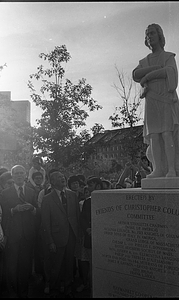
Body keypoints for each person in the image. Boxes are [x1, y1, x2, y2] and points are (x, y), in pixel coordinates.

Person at [132, 23, 179, 178]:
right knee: (154, 135)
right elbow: (135, 75)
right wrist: (154, 70)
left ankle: (171, 169)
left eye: (152, 33)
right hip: (151, 99)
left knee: (167, 134)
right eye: (147, 34)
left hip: (165, 98)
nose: (150, 37)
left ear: (159, 35)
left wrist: (148, 77)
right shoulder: (145, 61)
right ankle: (158, 169)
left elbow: (170, 72)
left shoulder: (168, 57)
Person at [0, 165, 38, 298]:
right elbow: (3, 214)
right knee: (11, 267)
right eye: (16, 173)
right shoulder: (5, 193)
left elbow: (37, 212)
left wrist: (32, 208)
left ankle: (23, 292)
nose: (19, 175)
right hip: (12, 235)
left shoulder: (31, 191)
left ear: (25, 175)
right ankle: (12, 293)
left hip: (27, 235)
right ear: (12, 175)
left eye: (21, 173)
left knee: (25, 266)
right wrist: (13, 210)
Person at [41, 170, 80, 298]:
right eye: (59, 177)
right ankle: (54, 289)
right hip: (57, 238)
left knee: (69, 264)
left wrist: (78, 236)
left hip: (71, 236)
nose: (62, 179)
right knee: (56, 266)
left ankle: (68, 289)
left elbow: (76, 217)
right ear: (52, 182)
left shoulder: (72, 195)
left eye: (63, 177)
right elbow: (45, 222)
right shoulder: (47, 199)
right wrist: (50, 241)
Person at [80, 177, 103, 294]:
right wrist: (87, 229)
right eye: (88, 185)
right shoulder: (87, 201)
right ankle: (89, 286)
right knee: (89, 263)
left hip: (103, 237)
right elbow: (83, 218)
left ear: (98, 186)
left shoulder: (106, 199)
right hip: (90, 236)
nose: (88, 187)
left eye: (91, 185)